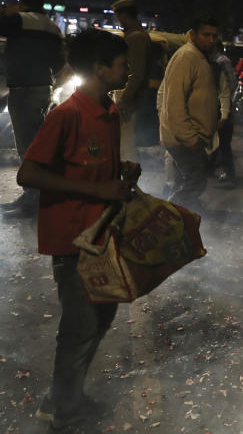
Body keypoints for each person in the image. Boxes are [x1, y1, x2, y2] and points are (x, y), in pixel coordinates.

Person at [17, 29, 140, 430]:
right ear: (101, 69)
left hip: (102, 235)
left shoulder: (109, 110)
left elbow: (97, 166)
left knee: (101, 320)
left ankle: (62, 396)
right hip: (73, 240)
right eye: (122, 64)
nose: (128, 70)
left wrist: (121, 173)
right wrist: (96, 187)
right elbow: (28, 173)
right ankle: (63, 415)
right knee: (80, 328)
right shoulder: (67, 114)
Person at [0, 0, 65, 218]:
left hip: (24, 90)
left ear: (23, 2)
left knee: (26, 146)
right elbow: (58, 63)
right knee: (38, 144)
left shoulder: (19, 20)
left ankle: (33, 200)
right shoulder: (52, 26)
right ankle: (37, 196)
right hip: (43, 89)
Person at [157, 15, 220, 211]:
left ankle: (179, 218)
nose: (211, 40)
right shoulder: (187, 57)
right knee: (194, 182)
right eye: (206, 34)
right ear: (193, 34)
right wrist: (190, 139)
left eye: (214, 35)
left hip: (192, 137)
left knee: (190, 182)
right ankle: (170, 217)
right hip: (185, 139)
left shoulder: (200, 57)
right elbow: (174, 104)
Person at [111, 0, 152, 162]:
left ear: (124, 16)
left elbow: (136, 73)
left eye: (117, 16)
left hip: (129, 95)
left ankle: (126, 181)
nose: (117, 20)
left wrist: (125, 99)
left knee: (125, 144)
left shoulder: (136, 37)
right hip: (129, 94)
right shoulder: (136, 35)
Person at [209, 42, 237, 182]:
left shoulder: (221, 61)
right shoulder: (214, 61)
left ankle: (229, 173)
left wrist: (222, 104)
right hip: (218, 106)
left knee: (224, 142)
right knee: (217, 141)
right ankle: (210, 170)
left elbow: (230, 85)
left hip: (222, 106)